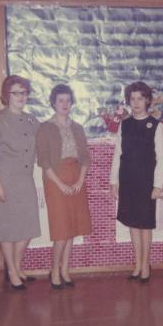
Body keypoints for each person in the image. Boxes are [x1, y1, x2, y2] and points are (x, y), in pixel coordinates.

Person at [0, 75, 41, 290]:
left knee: (27, 226)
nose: (21, 96)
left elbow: (42, 145)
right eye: (16, 92)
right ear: (6, 95)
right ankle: (11, 270)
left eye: (24, 92)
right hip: (4, 178)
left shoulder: (31, 120)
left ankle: (16, 267)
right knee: (5, 227)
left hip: (24, 179)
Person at [36, 84, 91, 289]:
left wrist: (79, 181)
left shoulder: (77, 127)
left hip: (76, 176)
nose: (65, 104)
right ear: (53, 103)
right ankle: (54, 270)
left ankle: (65, 269)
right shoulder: (45, 128)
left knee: (73, 228)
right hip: (55, 180)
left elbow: (85, 158)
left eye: (68, 100)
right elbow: (44, 162)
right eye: (61, 100)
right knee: (61, 230)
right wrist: (61, 185)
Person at [110, 81, 163, 283]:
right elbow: (118, 154)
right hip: (128, 180)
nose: (136, 103)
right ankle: (137, 264)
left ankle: (146, 265)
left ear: (147, 100)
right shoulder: (125, 125)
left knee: (145, 224)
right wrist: (113, 181)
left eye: (140, 98)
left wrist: (158, 186)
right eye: (132, 99)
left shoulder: (156, 126)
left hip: (146, 181)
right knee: (133, 223)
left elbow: (161, 159)